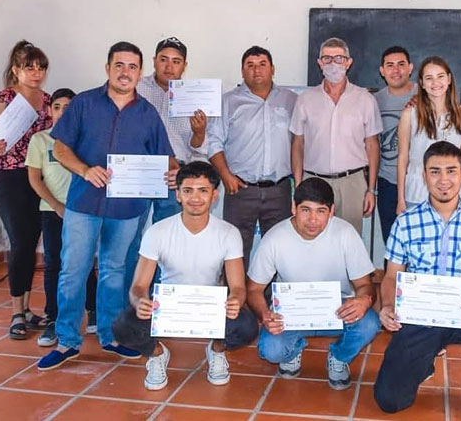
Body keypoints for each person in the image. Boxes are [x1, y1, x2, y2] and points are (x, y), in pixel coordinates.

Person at [37, 41, 176, 370]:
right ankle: (68, 341)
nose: (125, 72)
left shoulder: (147, 113)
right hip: (84, 202)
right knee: (73, 271)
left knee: (114, 272)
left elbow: (165, 154)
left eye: (132, 67)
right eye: (119, 65)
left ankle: (111, 337)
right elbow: (60, 148)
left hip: (128, 208)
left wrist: (172, 171)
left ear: (140, 73)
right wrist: (85, 170)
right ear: (107, 68)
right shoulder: (84, 103)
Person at [374, 141, 461, 420]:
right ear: (424, 175)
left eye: (451, 171)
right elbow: (391, 276)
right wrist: (388, 305)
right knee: (389, 401)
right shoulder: (405, 223)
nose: (444, 180)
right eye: (435, 172)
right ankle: (424, 361)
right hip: (421, 316)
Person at [112, 161, 258, 389]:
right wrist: (140, 301)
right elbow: (138, 286)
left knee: (247, 325)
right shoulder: (157, 231)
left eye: (203, 191)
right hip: (169, 308)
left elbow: (238, 288)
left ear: (214, 195)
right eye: (188, 191)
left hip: (210, 307)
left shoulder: (229, 233)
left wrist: (235, 301)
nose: (195, 198)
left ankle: (217, 350)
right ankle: (157, 354)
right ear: (178, 195)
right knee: (123, 326)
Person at [246, 178, 380, 390]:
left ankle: (339, 356)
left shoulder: (345, 233)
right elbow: (253, 289)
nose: (313, 220)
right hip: (291, 314)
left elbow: (365, 284)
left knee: (370, 323)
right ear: (293, 207)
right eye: (305, 210)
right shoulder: (275, 238)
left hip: (338, 310)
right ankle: (295, 347)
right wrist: (265, 314)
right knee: (272, 350)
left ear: (332, 211)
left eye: (321, 211)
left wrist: (364, 300)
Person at [0, 40, 51, 340]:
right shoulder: (3, 100)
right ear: (16, 70)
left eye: (40, 67)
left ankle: (29, 309)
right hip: (7, 178)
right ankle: (17, 311)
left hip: (36, 177)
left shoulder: (47, 101)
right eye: (29, 67)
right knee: (20, 241)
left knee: (30, 242)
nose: (36, 73)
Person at [125, 36, 208, 293]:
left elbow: (196, 145)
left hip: (177, 173)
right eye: (163, 60)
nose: (169, 66)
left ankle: (162, 296)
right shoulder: (136, 88)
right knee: (131, 237)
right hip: (140, 171)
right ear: (153, 62)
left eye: (176, 61)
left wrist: (200, 130)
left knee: (169, 238)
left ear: (184, 65)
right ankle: (133, 297)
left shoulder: (192, 96)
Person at [209, 46, 297, 269]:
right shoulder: (228, 101)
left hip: (280, 190)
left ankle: (269, 302)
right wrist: (226, 175)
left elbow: (301, 142)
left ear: (272, 69)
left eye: (262, 65)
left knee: (280, 249)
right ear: (242, 71)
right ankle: (236, 301)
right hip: (240, 189)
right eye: (250, 65)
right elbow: (213, 142)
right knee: (236, 249)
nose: (256, 70)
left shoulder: (291, 100)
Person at [26, 88, 98, 346]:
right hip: (53, 211)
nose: (62, 112)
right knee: (54, 264)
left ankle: (93, 310)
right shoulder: (40, 140)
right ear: (49, 110)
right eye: (57, 107)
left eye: (69, 107)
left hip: (83, 211)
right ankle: (54, 318)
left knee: (85, 262)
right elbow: (35, 179)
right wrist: (56, 205)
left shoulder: (86, 139)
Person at [290, 37, 383, 235]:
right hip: (314, 180)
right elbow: (298, 143)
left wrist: (371, 189)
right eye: (327, 58)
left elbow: (372, 145)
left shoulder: (365, 99)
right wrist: (298, 186)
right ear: (319, 63)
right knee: (312, 239)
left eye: (339, 58)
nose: (333, 64)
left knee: (348, 240)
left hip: (352, 182)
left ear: (349, 63)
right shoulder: (305, 100)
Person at [397, 56, 461, 212]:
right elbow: (402, 157)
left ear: (448, 79)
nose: (435, 83)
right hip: (418, 194)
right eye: (429, 78)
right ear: (422, 84)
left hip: (454, 195)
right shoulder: (410, 114)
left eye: (440, 76)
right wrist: (400, 199)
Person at [374, 46, 417, 243]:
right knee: (392, 242)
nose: (396, 70)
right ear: (382, 71)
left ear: (410, 68)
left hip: (418, 182)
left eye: (401, 64)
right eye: (390, 65)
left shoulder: (426, 94)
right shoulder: (374, 101)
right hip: (387, 182)